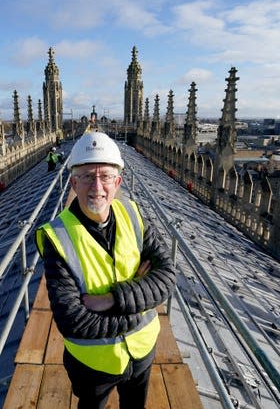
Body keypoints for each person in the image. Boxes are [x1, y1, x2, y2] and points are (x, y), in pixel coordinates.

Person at [36, 131, 176, 409]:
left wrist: (110, 300)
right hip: (93, 366)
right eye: (88, 176)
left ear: (118, 182)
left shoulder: (133, 215)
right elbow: (72, 321)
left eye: (105, 177)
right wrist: (139, 306)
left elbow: (167, 277)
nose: (97, 187)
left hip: (142, 353)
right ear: (74, 183)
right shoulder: (58, 237)